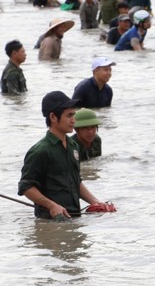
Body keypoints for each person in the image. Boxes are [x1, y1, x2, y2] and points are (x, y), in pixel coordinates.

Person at [18, 91, 116, 220]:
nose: (73, 120)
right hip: (50, 223)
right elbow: (26, 187)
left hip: (74, 219)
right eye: (69, 115)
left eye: (73, 115)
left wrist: (95, 201)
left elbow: (76, 181)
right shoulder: (40, 151)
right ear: (53, 117)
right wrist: (52, 206)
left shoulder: (73, 146)